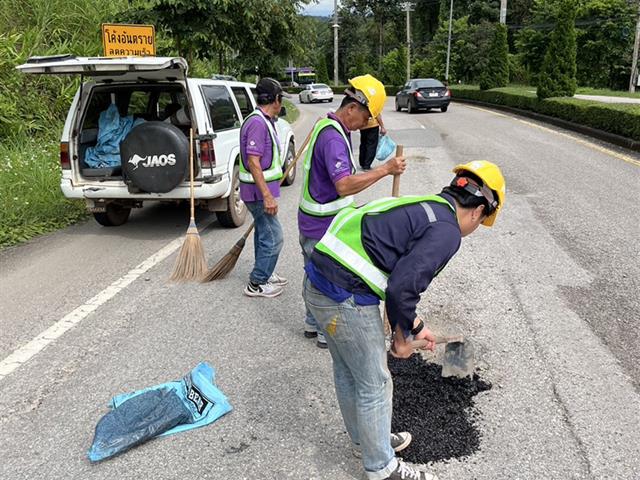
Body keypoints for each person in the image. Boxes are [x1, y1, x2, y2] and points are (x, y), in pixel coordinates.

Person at [303, 161, 506, 480]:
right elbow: (401, 288)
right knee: (376, 382)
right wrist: (400, 341)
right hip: (343, 296)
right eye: (482, 221)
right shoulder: (447, 232)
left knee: (348, 370)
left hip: (318, 283)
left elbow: (394, 275)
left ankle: (368, 442)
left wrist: (415, 327)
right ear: (479, 210)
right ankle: (382, 468)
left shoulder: (427, 206)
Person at [298, 74, 406, 348]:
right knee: (324, 279)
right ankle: (325, 332)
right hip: (321, 226)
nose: (364, 125)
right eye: (366, 117)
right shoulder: (333, 137)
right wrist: (385, 169)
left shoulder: (329, 125)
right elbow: (344, 184)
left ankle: (312, 324)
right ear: (351, 108)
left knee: (312, 273)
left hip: (313, 221)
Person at [239, 77, 289, 298]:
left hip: (257, 191)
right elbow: (253, 161)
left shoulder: (263, 120)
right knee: (274, 237)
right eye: (280, 99)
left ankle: (265, 274)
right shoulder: (258, 123)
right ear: (275, 99)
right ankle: (257, 282)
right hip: (258, 193)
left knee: (263, 233)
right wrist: (267, 195)